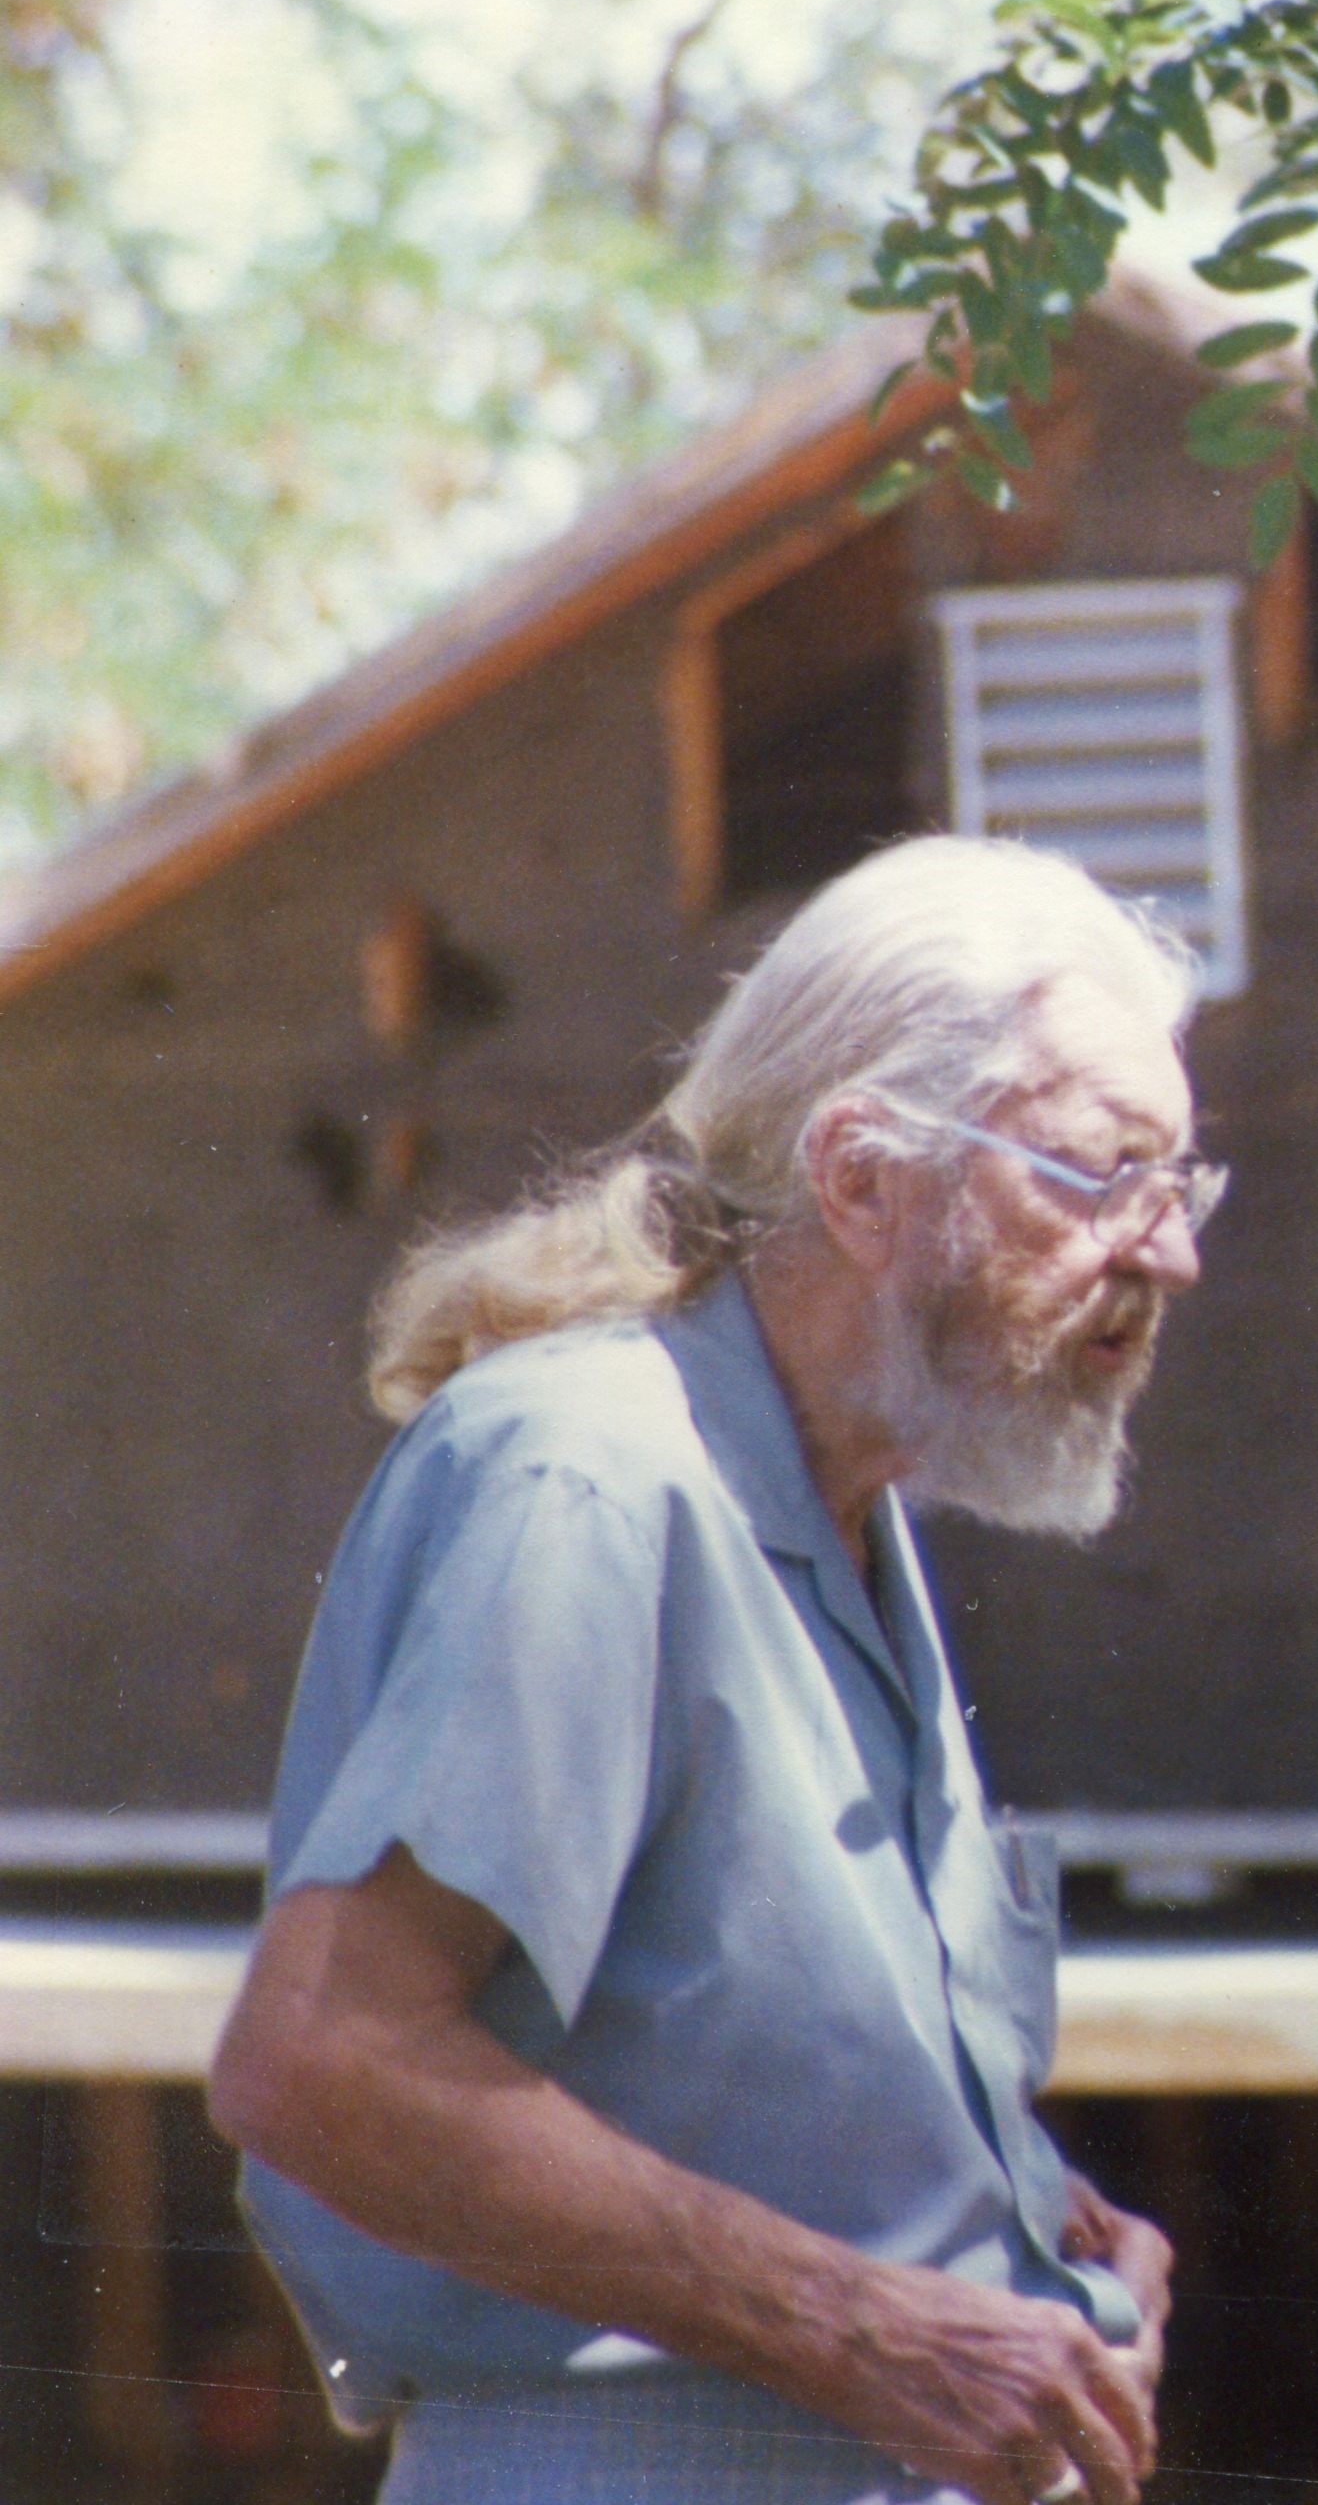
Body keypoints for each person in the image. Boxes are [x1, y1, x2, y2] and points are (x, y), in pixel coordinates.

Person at [211, 837, 1217, 2505]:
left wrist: (1032, 2235)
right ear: (863, 1175)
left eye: (1181, 1187)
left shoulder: (843, 1504)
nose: (1168, 1255)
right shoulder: (595, 1477)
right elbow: (321, 2058)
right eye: (1100, 1175)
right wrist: (870, 2326)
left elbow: (705, 2058)